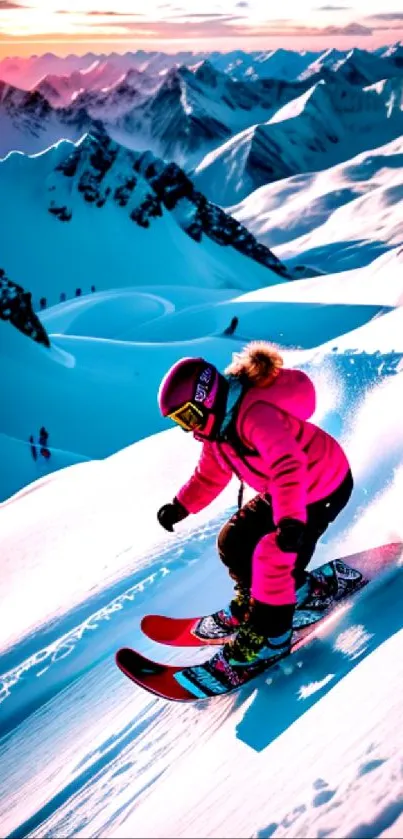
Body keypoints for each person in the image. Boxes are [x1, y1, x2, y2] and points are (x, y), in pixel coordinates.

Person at [156, 341, 353, 670]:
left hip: (321, 485)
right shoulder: (218, 430)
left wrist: (290, 522)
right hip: (287, 492)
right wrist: (180, 506)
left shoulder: (255, 416)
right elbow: (209, 475)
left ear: (205, 398)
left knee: (273, 557)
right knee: (234, 540)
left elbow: (289, 466)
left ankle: (272, 637)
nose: (186, 426)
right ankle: (280, 594)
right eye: (180, 419)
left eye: (187, 415)